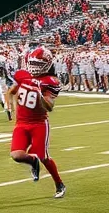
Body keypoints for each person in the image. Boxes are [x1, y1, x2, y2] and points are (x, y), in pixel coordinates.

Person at [5, 46, 66, 198]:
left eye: (38, 64)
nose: (34, 67)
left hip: (39, 123)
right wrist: (10, 106)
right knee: (16, 155)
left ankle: (59, 183)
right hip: (21, 122)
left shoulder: (50, 81)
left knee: (44, 156)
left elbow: (50, 107)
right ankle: (33, 162)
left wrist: (40, 96)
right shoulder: (23, 75)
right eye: (33, 63)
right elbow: (11, 92)